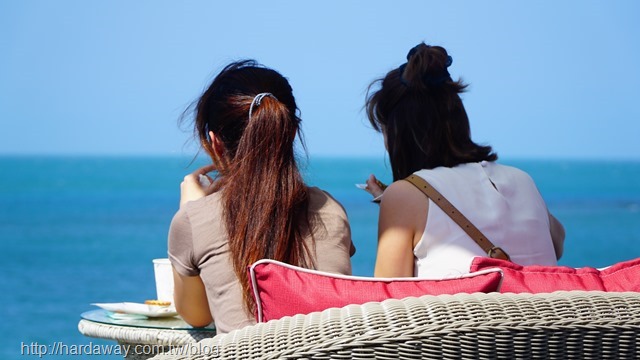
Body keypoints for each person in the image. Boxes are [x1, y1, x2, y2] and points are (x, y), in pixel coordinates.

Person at [168, 60, 355, 333]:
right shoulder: (331, 211)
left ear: (215, 142)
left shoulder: (193, 220)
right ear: (289, 132)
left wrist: (192, 207)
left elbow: (196, 316)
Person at [363, 43, 565, 278]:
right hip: (545, 314)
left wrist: (397, 204)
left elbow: (388, 299)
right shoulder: (523, 180)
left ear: (399, 132)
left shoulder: (405, 196)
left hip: (463, 316)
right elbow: (556, 243)